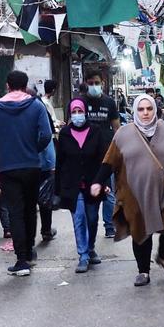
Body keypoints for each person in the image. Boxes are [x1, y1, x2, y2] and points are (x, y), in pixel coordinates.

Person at [92, 94, 164, 287]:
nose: (146, 113)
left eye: (149, 108)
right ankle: (143, 271)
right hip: (135, 193)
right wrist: (98, 182)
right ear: (135, 111)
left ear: (155, 109)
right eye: (141, 109)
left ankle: (163, 256)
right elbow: (109, 161)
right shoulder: (123, 134)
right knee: (140, 230)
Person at [0, 71, 53, 275]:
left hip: (8, 168)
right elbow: (46, 134)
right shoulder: (36, 105)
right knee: (30, 210)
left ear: (8, 85)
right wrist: (33, 149)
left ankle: (21, 261)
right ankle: (29, 252)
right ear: (25, 84)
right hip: (32, 166)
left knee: (15, 212)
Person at [56, 98, 108, 273]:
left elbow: (104, 159)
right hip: (72, 185)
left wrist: (103, 182)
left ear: (85, 112)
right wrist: (58, 188)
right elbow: (60, 162)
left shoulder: (96, 131)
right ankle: (83, 255)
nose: (78, 115)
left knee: (92, 218)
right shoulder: (64, 133)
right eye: (74, 112)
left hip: (93, 183)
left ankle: (91, 247)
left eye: (80, 111)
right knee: (79, 218)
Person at [82, 73, 121, 238]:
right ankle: (89, 227)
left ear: (102, 83)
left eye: (96, 82)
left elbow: (117, 128)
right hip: (85, 154)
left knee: (108, 192)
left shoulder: (109, 103)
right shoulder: (81, 102)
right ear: (86, 83)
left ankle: (109, 226)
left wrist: (119, 150)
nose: (94, 85)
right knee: (88, 192)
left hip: (106, 154)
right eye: (90, 82)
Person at [29, 85, 58, 245]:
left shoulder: (31, 110)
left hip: (31, 163)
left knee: (34, 199)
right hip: (42, 162)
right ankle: (45, 231)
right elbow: (48, 136)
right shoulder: (40, 109)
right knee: (44, 198)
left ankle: (33, 235)